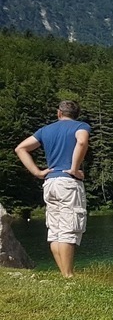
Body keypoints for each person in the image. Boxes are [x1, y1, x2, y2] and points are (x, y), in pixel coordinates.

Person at [14, 100, 91, 278]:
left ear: (59, 113)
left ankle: (65, 274)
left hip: (50, 183)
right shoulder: (81, 126)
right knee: (68, 229)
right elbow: (81, 142)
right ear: (76, 114)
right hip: (68, 183)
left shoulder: (45, 130)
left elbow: (21, 148)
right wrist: (74, 168)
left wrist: (37, 172)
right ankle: (69, 276)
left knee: (55, 230)